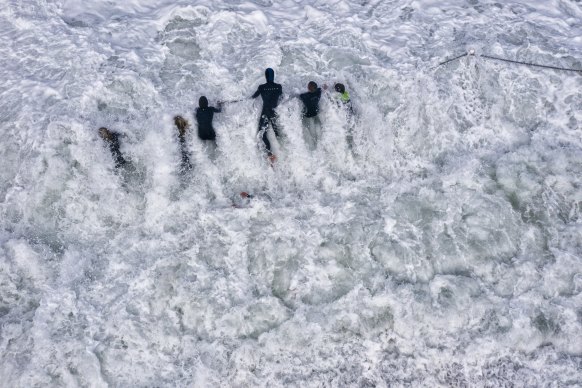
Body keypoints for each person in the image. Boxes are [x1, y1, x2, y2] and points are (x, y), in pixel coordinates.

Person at [252, 68, 283, 162]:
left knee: (262, 135)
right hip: (274, 112)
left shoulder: (261, 87)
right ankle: (285, 152)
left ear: (265, 76)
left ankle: (270, 155)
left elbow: (252, 98)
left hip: (265, 112)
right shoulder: (279, 86)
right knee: (277, 133)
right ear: (273, 76)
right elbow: (281, 97)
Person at [299, 81, 322, 150]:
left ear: (308, 88)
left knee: (312, 133)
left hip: (309, 117)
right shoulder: (318, 93)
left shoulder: (305, 96)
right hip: (316, 114)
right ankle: (319, 145)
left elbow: (300, 95)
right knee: (318, 129)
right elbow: (320, 89)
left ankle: (314, 147)